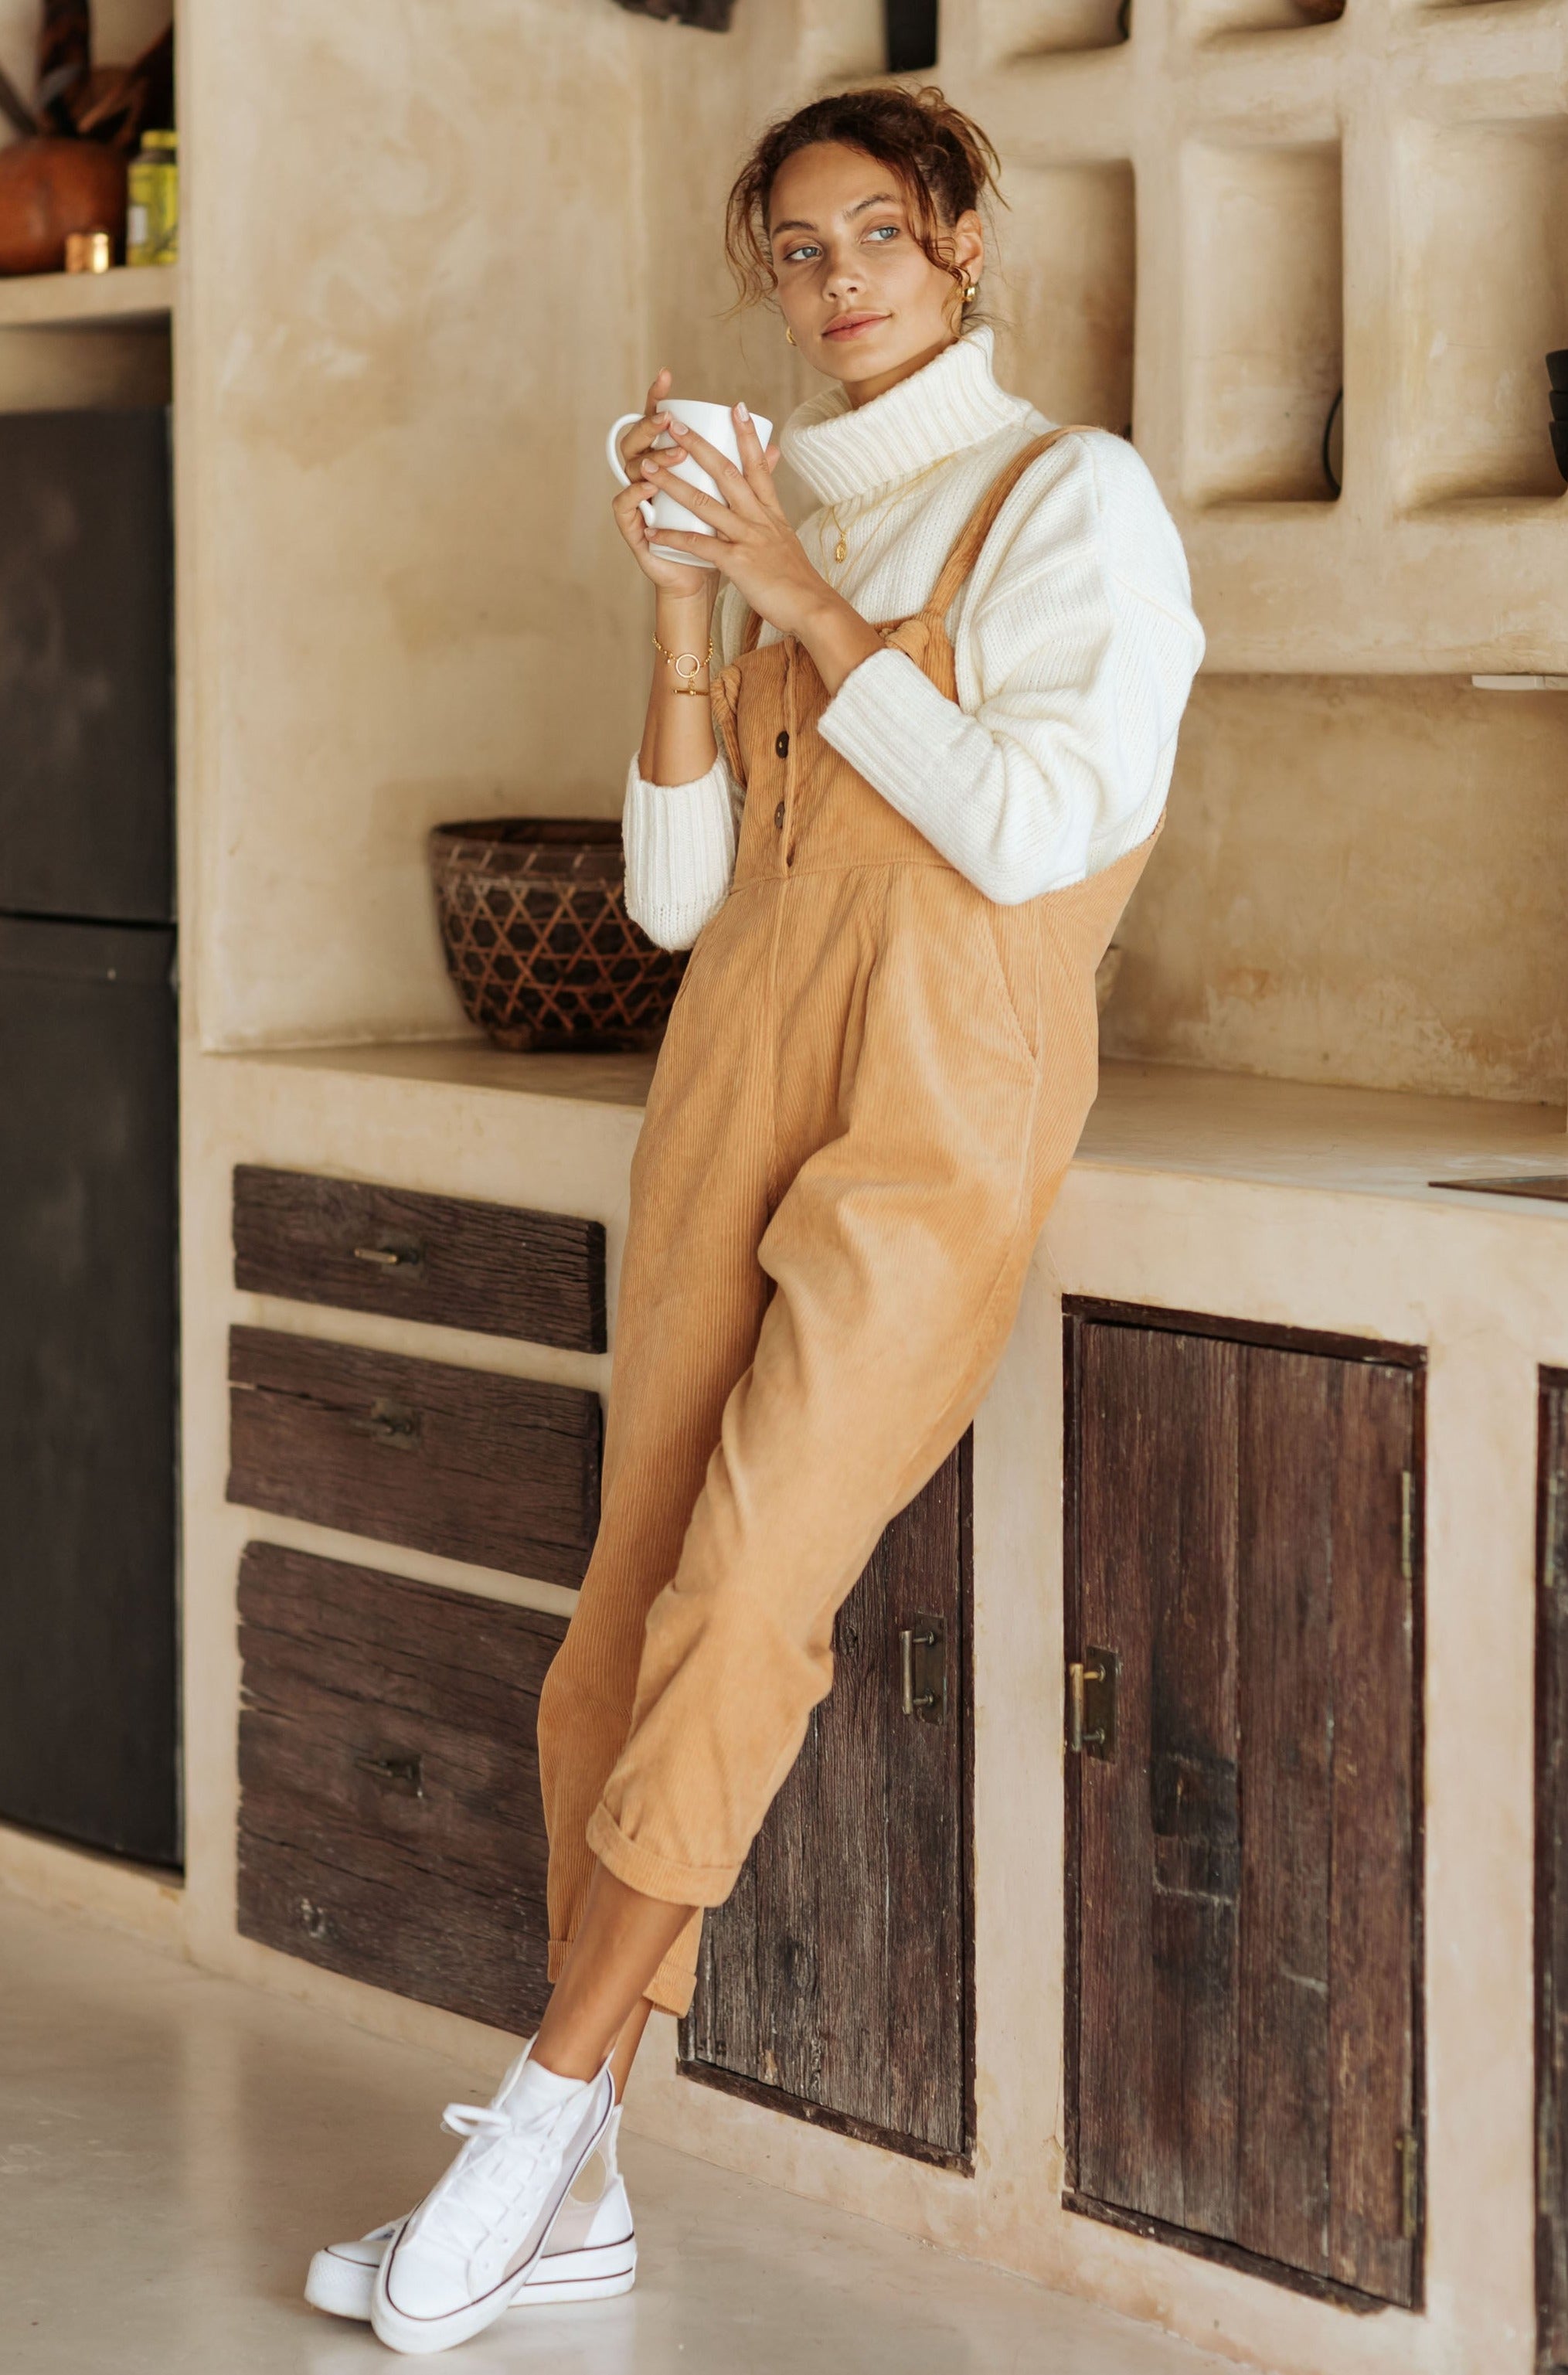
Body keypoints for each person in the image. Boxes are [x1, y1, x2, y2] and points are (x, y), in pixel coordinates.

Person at [309, 81, 1203, 2357]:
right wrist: (696, 621)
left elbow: (1028, 828)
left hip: (936, 1105)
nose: (841, 289)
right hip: (730, 1086)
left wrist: (806, 593)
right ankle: (583, 2189)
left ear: (968, 237)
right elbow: (679, 896)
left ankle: (532, 2123)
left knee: (749, 1589)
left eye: (881, 236)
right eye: (796, 256)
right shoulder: (781, 508)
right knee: (615, 1618)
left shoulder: (1072, 503)